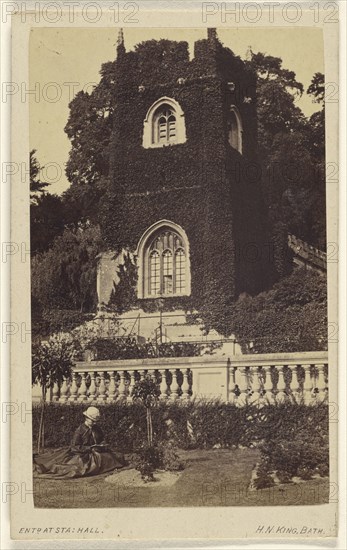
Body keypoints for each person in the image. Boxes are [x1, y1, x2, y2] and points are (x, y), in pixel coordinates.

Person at [33, 406, 126, 478]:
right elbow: (75, 446)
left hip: (96, 452)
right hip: (82, 454)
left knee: (113, 457)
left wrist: (102, 445)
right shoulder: (80, 430)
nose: (93, 423)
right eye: (92, 420)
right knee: (78, 467)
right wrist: (89, 448)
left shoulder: (96, 428)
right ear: (86, 418)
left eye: (95, 421)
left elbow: (102, 439)